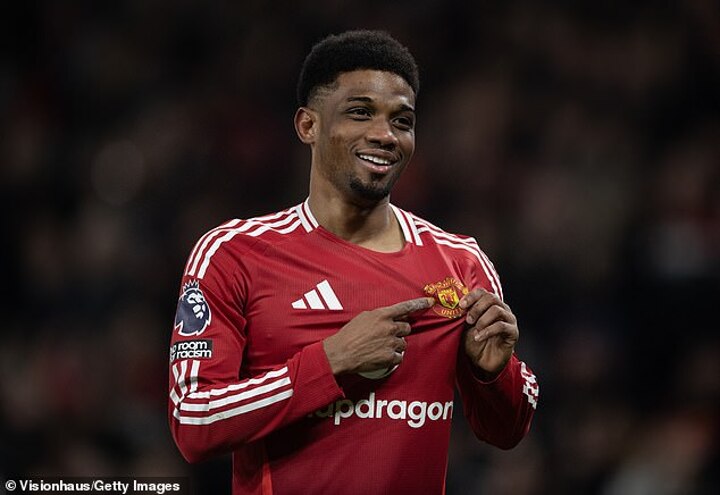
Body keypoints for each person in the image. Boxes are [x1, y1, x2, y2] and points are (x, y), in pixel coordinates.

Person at [168, 30, 539, 494]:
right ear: (308, 125)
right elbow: (195, 421)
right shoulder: (234, 255)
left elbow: (506, 430)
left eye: (402, 121)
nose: (385, 135)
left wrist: (493, 375)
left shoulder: (460, 263)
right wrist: (330, 362)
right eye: (360, 112)